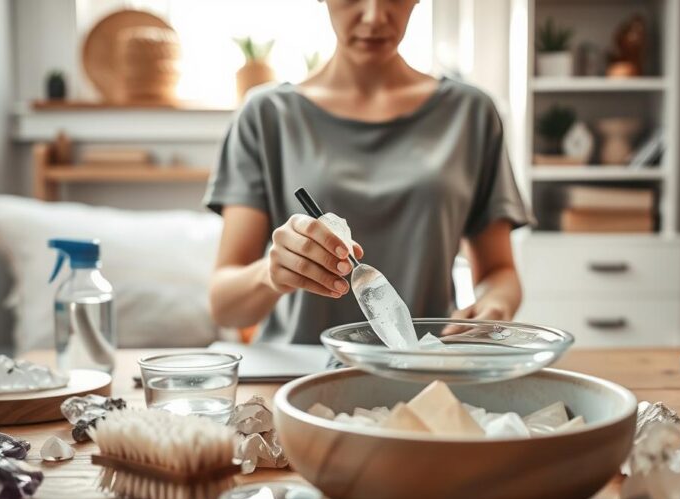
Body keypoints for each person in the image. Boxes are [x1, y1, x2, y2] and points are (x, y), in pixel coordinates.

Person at [206, 0, 527, 344]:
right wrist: (272, 274)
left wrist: (495, 305)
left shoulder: (470, 114)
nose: (374, 17)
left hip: (426, 371)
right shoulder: (266, 116)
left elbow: (499, 272)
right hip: (299, 374)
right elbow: (225, 306)